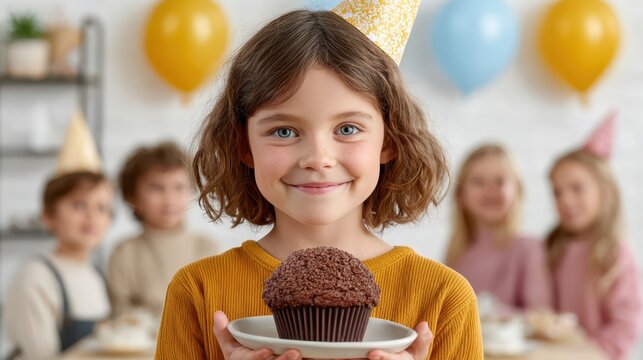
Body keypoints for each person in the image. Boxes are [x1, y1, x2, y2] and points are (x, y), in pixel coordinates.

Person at [155, 2, 483, 359]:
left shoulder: (443, 298)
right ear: (243, 145)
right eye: (283, 131)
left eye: (347, 128)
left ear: (388, 140)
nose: (317, 159)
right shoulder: (198, 293)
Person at [3, 112, 113, 359]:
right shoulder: (36, 278)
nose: (92, 217)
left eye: (102, 208)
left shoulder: (95, 274)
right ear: (48, 216)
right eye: (78, 205)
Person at [546, 112, 641, 360]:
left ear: (605, 190)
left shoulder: (615, 253)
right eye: (557, 192)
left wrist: (581, 353)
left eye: (577, 188)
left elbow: (627, 327)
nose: (565, 200)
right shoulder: (554, 247)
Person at [107, 141, 218, 318]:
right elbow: (120, 316)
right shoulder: (124, 252)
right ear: (132, 197)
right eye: (156, 188)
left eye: (179, 187)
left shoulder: (207, 248)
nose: (169, 198)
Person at [445, 144, 552, 312]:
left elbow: (540, 316)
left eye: (499, 181)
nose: (490, 190)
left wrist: (489, 311)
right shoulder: (457, 253)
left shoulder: (529, 249)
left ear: (518, 191)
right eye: (478, 182)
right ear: (461, 194)